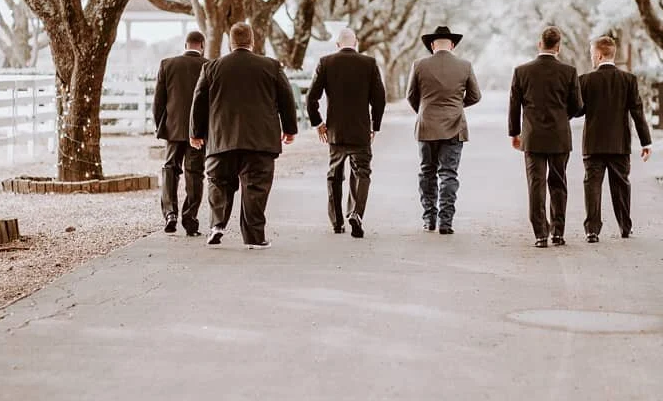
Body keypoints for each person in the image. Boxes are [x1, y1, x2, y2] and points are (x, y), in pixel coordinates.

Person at [190, 23, 298, 248]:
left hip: (222, 138)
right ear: (253, 41)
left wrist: (196, 133)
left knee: (219, 182)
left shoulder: (211, 68)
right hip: (260, 140)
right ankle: (254, 237)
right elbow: (287, 99)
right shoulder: (271, 66)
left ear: (230, 42)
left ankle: (217, 225)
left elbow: (198, 102)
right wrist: (289, 129)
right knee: (255, 187)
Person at [305, 28, 387, 238]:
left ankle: (337, 222)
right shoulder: (369, 63)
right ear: (356, 43)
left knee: (334, 175)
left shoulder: (326, 62)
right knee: (362, 172)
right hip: (360, 130)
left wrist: (319, 123)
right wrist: (374, 126)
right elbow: (379, 99)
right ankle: (356, 213)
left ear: (337, 45)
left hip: (336, 130)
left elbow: (311, 98)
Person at [509, 27, 583, 248]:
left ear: (539, 44)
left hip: (532, 137)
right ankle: (558, 233)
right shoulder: (569, 72)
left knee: (536, 184)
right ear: (558, 47)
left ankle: (540, 234)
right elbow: (578, 107)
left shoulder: (522, 71)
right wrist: (562, 117)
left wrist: (515, 133)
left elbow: (514, 106)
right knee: (558, 183)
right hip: (560, 137)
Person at [406, 25, 482, 234]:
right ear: (452, 45)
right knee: (448, 174)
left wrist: (423, 110)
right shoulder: (464, 65)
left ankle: (429, 219)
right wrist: (456, 106)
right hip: (454, 125)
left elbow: (411, 95)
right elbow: (475, 96)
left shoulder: (419, 65)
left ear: (432, 45)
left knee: (426, 172)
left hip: (426, 125)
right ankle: (446, 222)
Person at [577, 36, 652, 242]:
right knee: (621, 185)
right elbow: (638, 112)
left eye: (592, 53)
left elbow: (578, 111)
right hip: (619, 144)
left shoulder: (585, 80)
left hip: (593, 144)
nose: (591, 57)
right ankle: (624, 227)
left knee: (592, 186)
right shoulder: (629, 80)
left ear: (599, 55)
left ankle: (592, 230)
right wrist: (646, 142)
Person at [152, 31, 209, 236]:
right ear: (202, 45)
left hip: (173, 129)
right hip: (199, 132)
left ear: (186, 44)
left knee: (170, 169)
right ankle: (190, 219)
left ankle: (170, 213)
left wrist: (162, 126)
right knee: (194, 174)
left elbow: (158, 102)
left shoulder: (167, 64)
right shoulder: (209, 66)